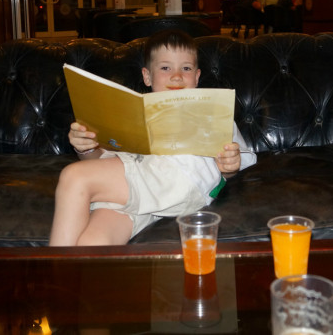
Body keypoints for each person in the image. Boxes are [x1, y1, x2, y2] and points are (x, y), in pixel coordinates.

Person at [49, 30, 257, 246]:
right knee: (93, 242)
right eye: (165, 68)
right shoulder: (131, 109)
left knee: (75, 177)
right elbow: (103, 162)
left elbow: (238, 161)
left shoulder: (211, 111)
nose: (176, 76)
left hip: (180, 179)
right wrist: (86, 147)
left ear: (197, 77)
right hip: (144, 193)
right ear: (147, 76)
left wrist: (229, 166)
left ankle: (53, 268)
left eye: (186, 68)